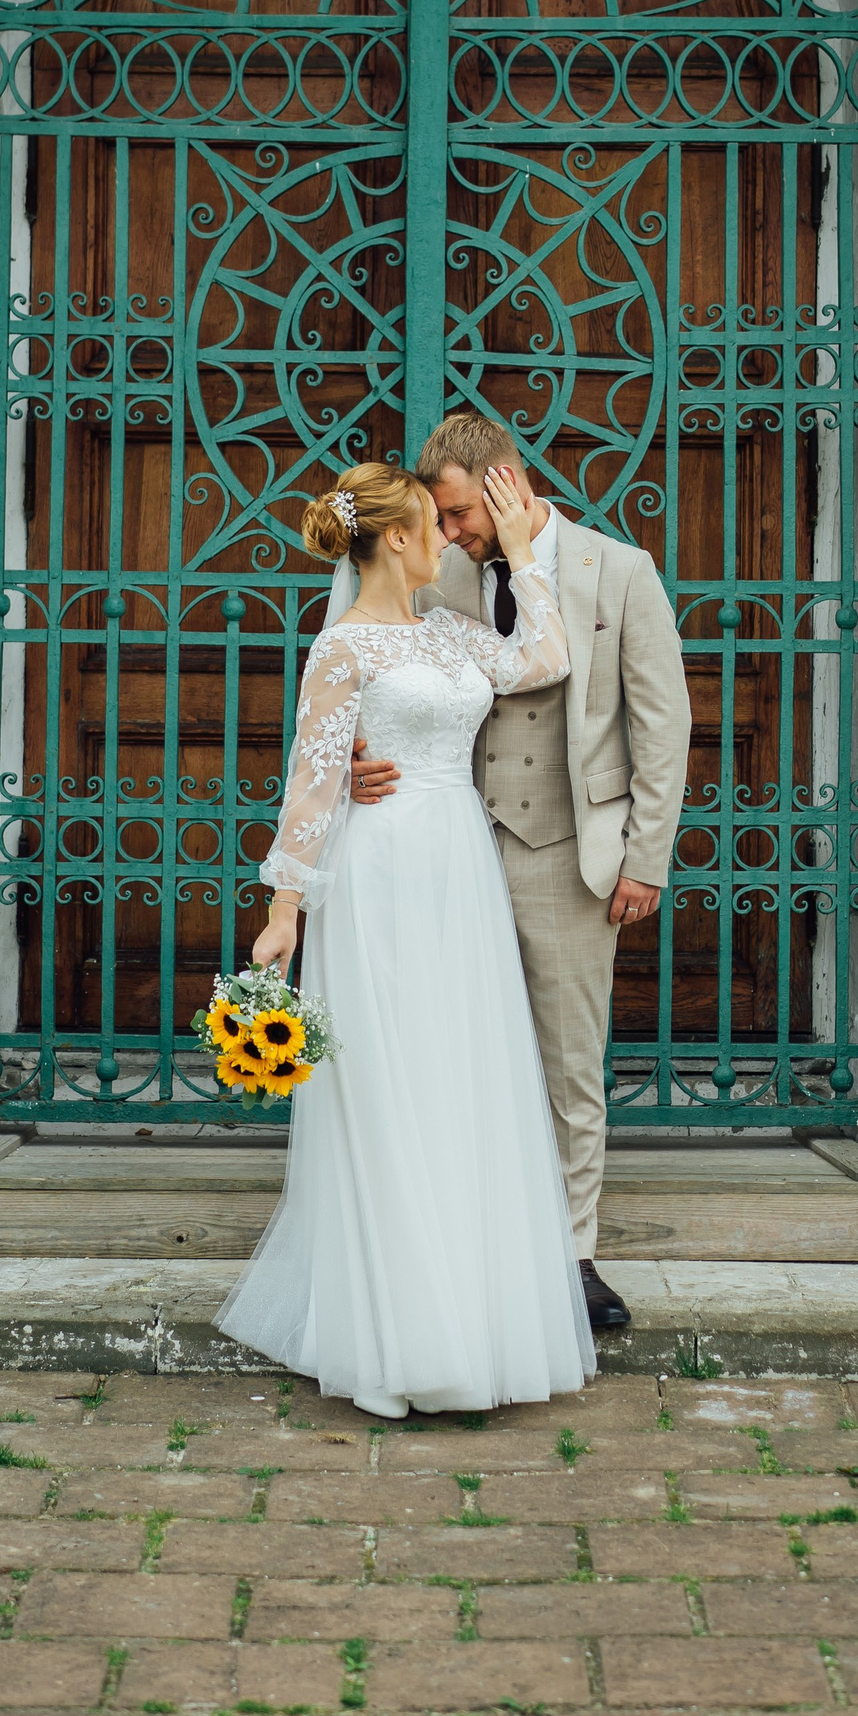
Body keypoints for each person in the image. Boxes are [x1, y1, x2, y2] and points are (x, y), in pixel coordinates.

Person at [214, 458, 593, 1417]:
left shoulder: (452, 631)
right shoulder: (341, 649)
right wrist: (285, 910)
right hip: (378, 873)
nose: (448, 541)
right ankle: (390, 1343)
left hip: (457, 871)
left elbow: (544, 658)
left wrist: (523, 555)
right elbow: (311, 780)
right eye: (434, 525)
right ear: (395, 538)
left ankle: (464, 1322)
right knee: (388, 1087)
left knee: (455, 1080)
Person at [351, 414, 692, 1336]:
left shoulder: (619, 570)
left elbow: (662, 725)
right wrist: (351, 764)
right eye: (440, 518)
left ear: (507, 483)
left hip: (569, 853)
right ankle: (474, 1249)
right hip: (450, 848)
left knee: (569, 1064)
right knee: (454, 1053)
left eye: (460, 512)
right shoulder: (436, 575)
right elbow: (368, 679)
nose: (449, 530)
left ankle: (573, 1257)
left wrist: (645, 857)